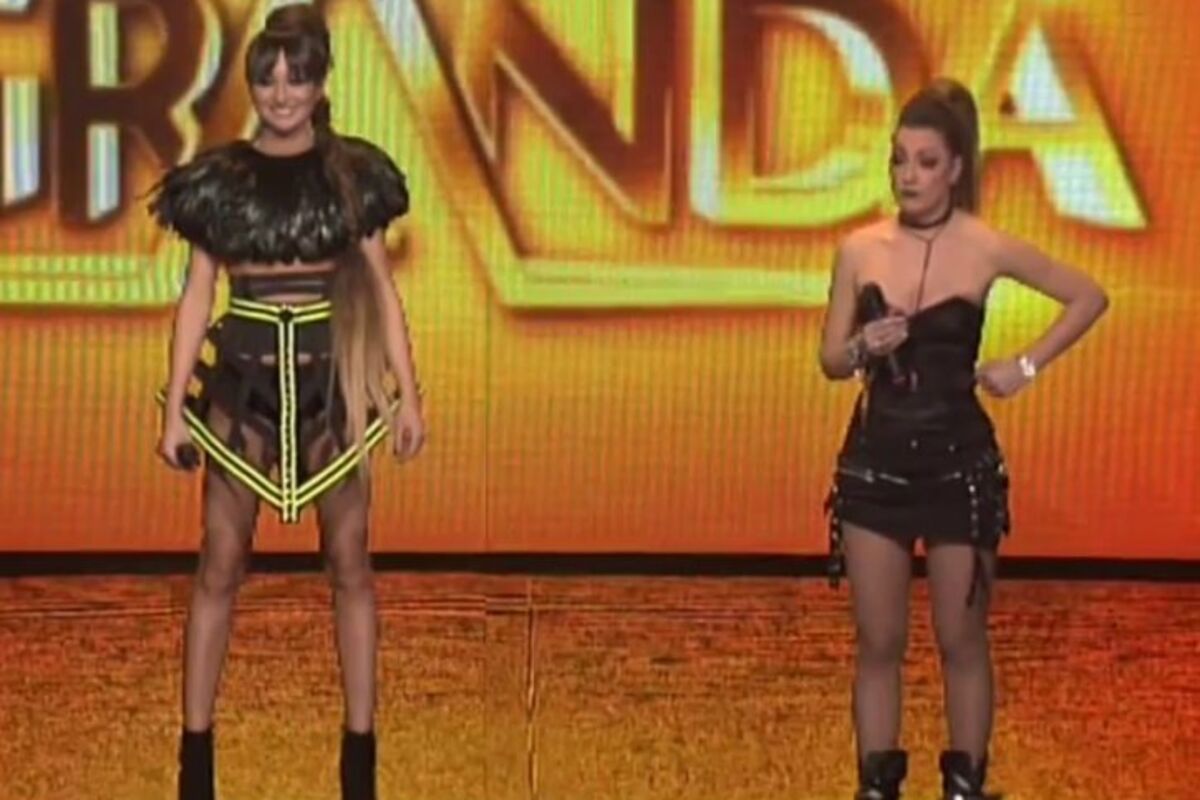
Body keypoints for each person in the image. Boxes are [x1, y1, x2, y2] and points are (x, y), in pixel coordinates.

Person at [148, 5, 425, 799]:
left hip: (333, 397)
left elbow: (384, 292)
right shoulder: (221, 184)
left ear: (320, 82)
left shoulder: (351, 179)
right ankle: (195, 764)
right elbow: (197, 296)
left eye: (296, 77)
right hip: (241, 398)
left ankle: (360, 764)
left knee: (351, 563)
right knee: (218, 563)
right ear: (252, 83)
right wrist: (173, 410)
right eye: (268, 77)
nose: (281, 92)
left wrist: (407, 397)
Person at [819, 77, 1108, 799]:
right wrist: (860, 346)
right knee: (879, 642)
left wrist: (1025, 365)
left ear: (954, 168)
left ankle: (965, 788)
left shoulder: (985, 246)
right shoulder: (858, 250)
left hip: (960, 470)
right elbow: (829, 360)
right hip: (875, 470)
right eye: (898, 160)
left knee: (962, 640)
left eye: (924, 162)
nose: (908, 176)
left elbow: (1088, 295)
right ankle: (876, 788)